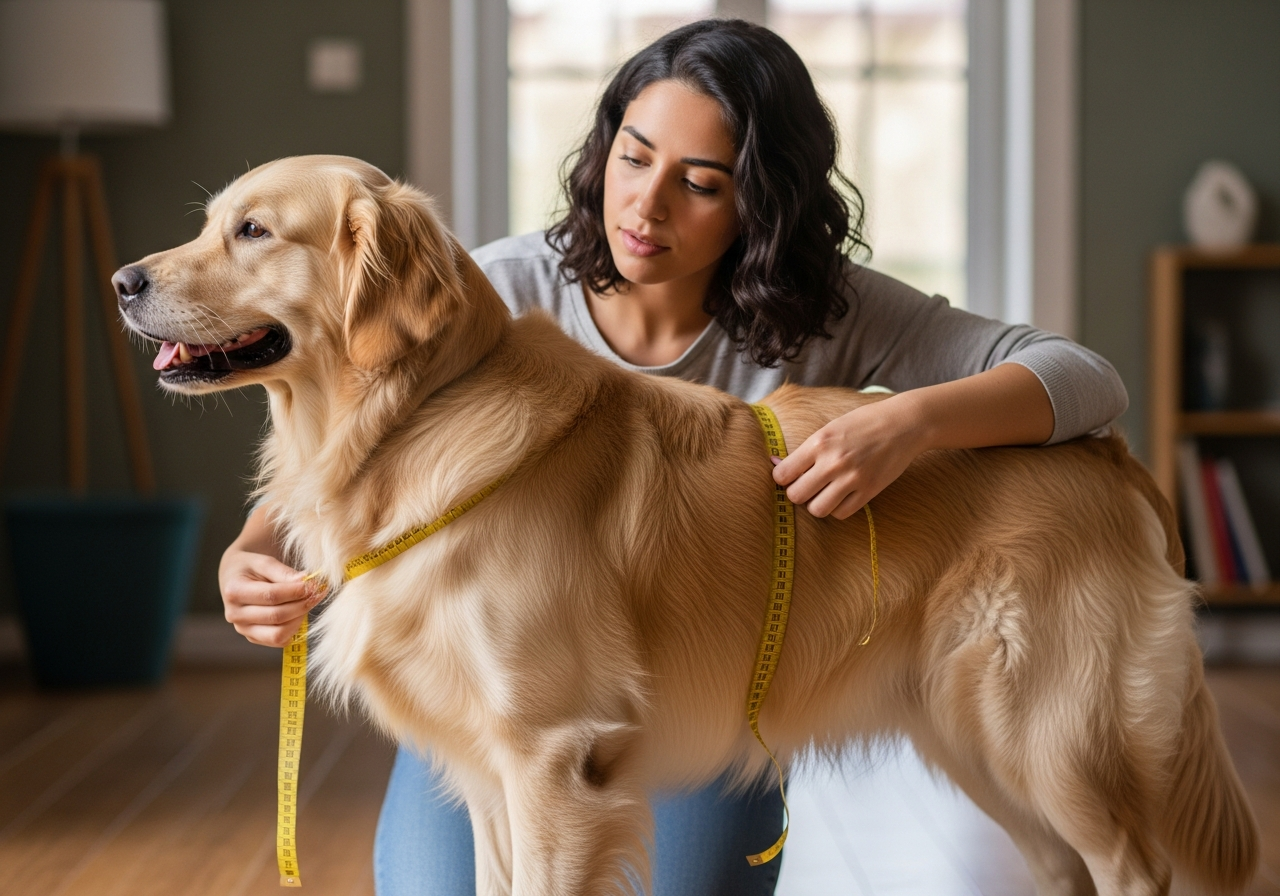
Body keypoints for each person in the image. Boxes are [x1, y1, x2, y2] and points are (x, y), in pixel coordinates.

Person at [219, 18, 1127, 896]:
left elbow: (1083, 378)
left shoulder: (824, 308)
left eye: (700, 182)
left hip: (711, 695)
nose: (646, 205)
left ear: (758, 204)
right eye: (633, 156)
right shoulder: (493, 288)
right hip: (506, 697)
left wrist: (908, 424)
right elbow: (357, 448)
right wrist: (252, 547)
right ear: (604, 149)